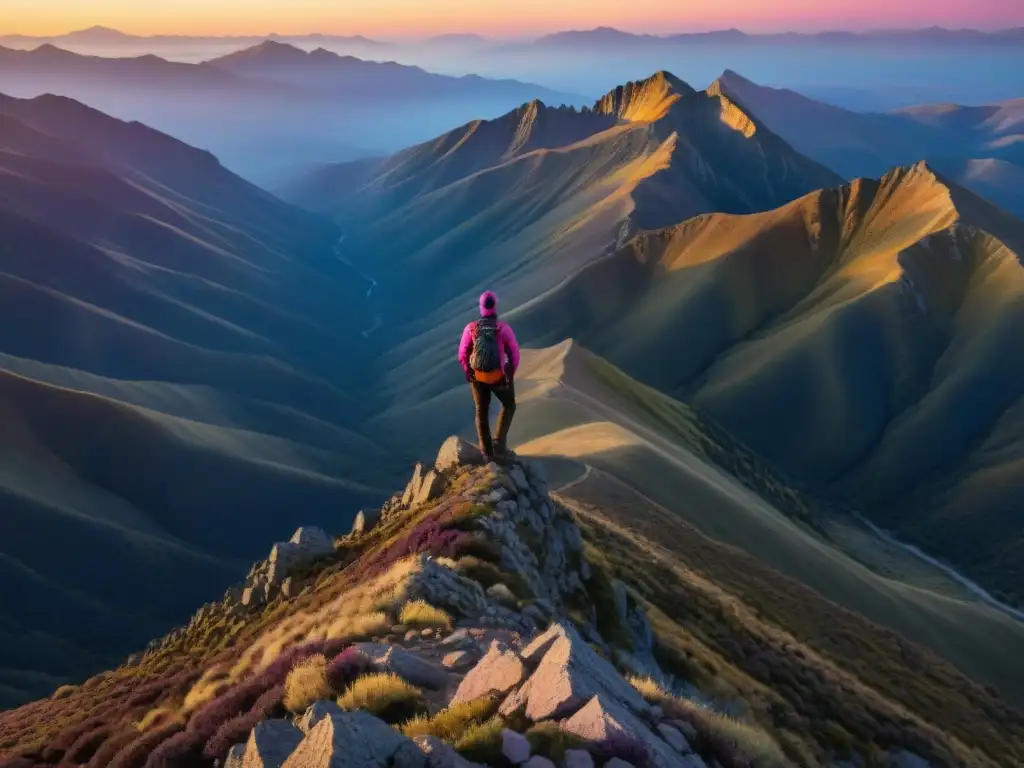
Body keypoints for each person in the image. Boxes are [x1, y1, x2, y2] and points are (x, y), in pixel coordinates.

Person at [458, 290, 520, 459]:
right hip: (498, 376)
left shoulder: (471, 328)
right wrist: (509, 376)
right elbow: (515, 354)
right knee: (509, 406)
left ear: (481, 308)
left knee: (481, 412)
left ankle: (486, 452)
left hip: (478, 377)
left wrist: (468, 371)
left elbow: (462, 353)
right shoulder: (503, 329)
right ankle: (499, 444)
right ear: (495, 307)